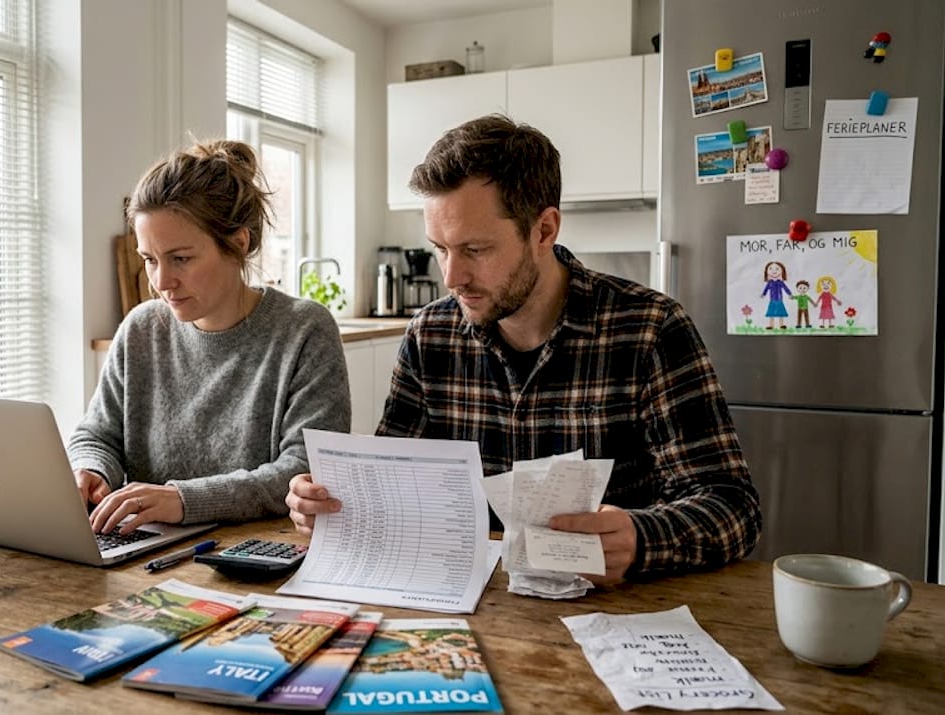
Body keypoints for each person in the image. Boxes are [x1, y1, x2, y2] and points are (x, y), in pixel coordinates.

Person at [285, 114, 761, 585]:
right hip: (471, 605)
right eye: (440, 249)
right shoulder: (429, 336)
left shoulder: (650, 330)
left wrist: (639, 538)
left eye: (475, 250)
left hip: (609, 607)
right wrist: (329, 501)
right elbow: (393, 482)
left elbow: (732, 506)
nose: (451, 277)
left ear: (544, 230)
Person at [69, 138, 351, 535]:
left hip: (257, 553)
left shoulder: (304, 330)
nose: (161, 281)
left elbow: (304, 469)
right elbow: (97, 435)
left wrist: (184, 500)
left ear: (238, 243)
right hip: (147, 551)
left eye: (180, 258)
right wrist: (91, 469)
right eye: (149, 260)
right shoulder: (140, 329)